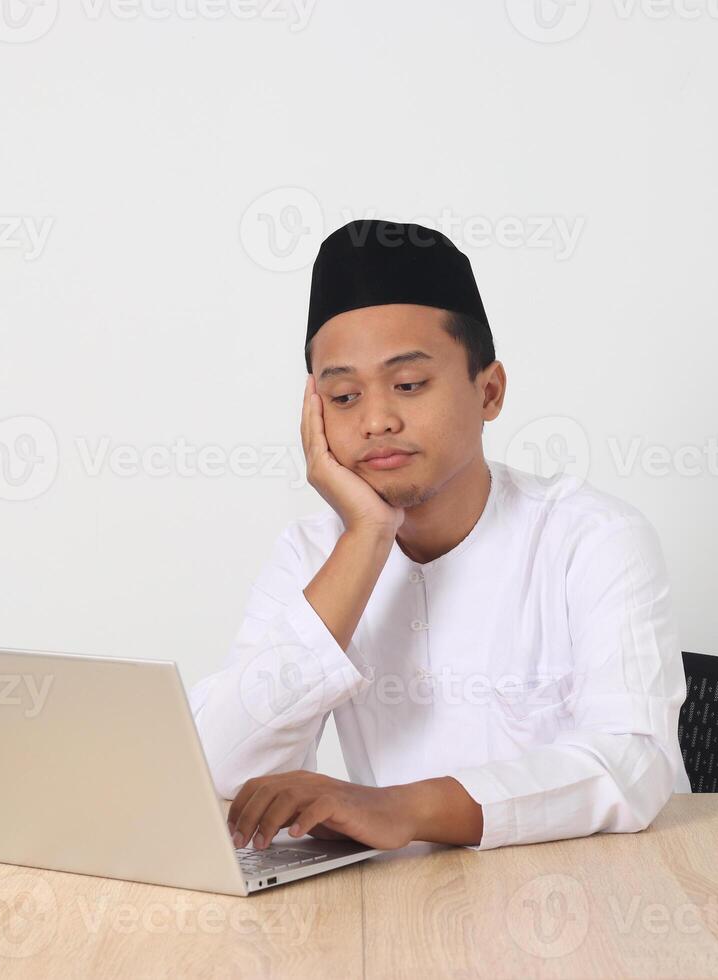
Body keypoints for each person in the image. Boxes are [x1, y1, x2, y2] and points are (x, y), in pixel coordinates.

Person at [189, 219, 689, 853]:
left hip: (589, 900)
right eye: (343, 396)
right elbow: (214, 771)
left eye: (408, 385)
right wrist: (367, 537)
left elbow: (633, 767)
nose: (376, 419)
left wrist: (402, 809)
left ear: (490, 390)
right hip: (398, 911)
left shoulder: (590, 538)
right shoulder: (313, 554)